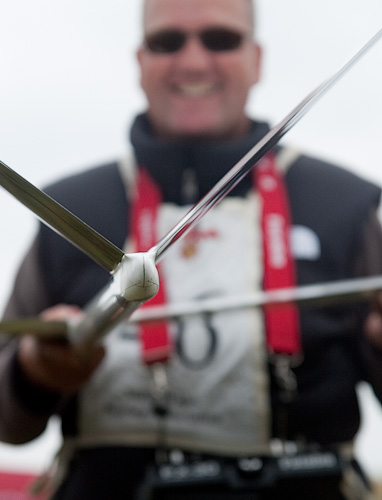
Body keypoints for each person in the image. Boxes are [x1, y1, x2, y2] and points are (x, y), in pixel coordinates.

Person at [1, 0, 382, 498]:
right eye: (168, 42)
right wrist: (34, 370)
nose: (195, 61)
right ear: (140, 62)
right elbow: (9, 423)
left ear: (257, 59)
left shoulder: (344, 204)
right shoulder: (69, 207)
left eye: (221, 40)